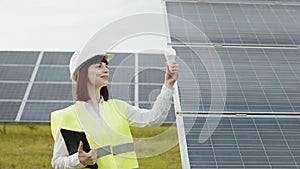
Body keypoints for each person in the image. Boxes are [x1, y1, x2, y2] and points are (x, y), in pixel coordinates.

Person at [50, 52, 179, 169]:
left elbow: (153, 119)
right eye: (99, 66)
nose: (106, 70)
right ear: (83, 73)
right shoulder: (67, 116)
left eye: (106, 66)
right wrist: (78, 160)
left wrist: (168, 86)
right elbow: (57, 162)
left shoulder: (118, 108)